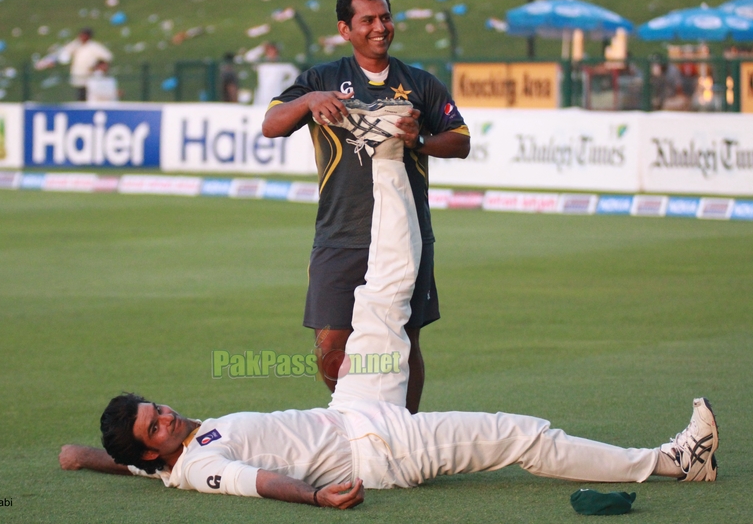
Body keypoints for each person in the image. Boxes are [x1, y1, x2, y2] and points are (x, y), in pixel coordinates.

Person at [60, 150, 720, 507]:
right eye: (156, 426)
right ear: (153, 451)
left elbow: (87, 457)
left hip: (353, 403)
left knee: (379, 293)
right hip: (381, 447)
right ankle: (673, 463)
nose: (167, 416)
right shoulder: (201, 463)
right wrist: (316, 497)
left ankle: (384, 154)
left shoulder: (161, 461)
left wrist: (89, 456)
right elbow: (256, 482)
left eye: (158, 408)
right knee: (524, 434)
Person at [260, 0, 470, 413]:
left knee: (405, 339)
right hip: (341, 233)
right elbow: (272, 125)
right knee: (331, 342)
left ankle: (405, 433)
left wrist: (421, 141)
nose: (381, 27)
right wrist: (310, 101)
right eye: (368, 20)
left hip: (407, 235)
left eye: (385, 17)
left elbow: (461, 141)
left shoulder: (420, 83)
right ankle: (352, 420)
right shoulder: (320, 79)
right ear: (345, 29)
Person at [58, 28, 114, 101]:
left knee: (90, 96)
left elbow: (107, 56)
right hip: (78, 76)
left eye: (84, 35)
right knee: (80, 95)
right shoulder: (76, 45)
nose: (82, 37)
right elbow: (65, 54)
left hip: (90, 77)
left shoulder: (94, 47)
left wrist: (96, 66)